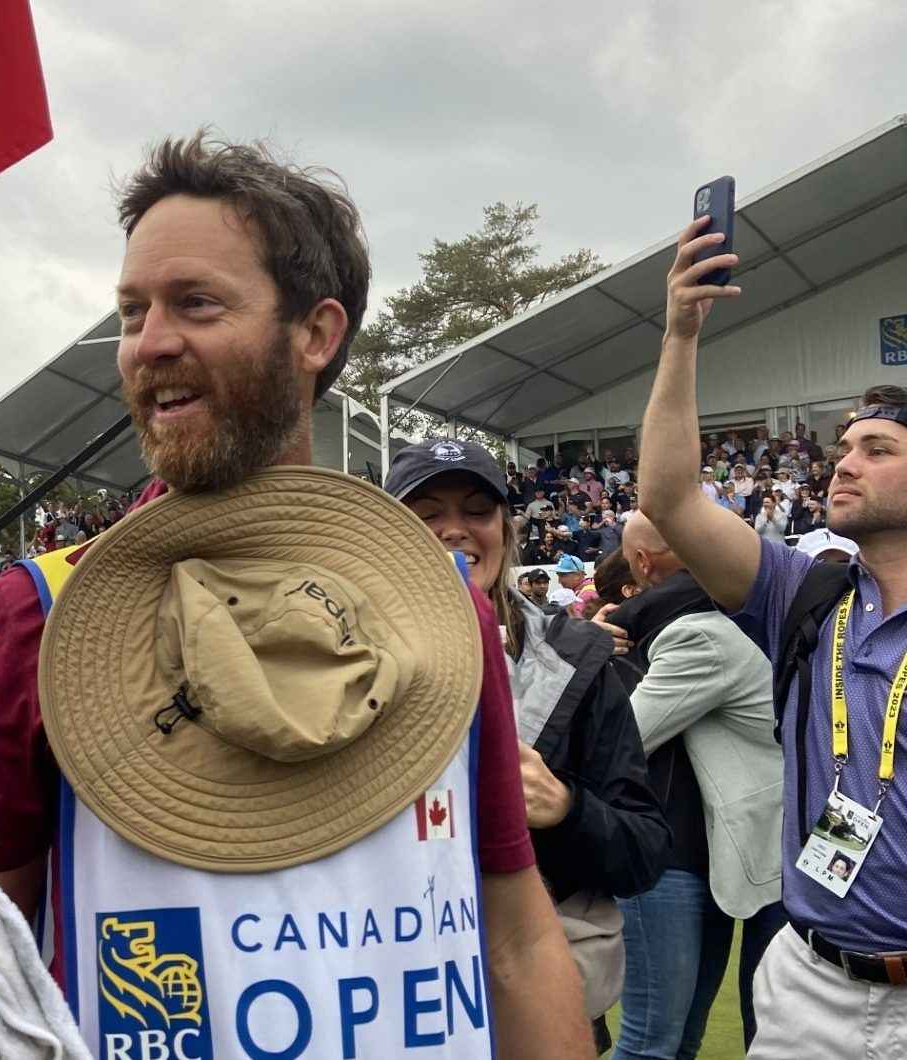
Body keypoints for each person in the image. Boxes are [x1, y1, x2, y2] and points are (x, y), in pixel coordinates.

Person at [0, 134, 593, 1060]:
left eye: (196, 303)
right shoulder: (43, 611)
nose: (149, 343)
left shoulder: (443, 604)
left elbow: (513, 941)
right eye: (131, 312)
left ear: (315, 335)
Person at [638, 213, 907, 1057]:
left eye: (877, 449)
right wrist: (681, 333)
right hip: (807, 987)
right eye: (842, 448)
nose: (844, 462)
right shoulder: (806, 592)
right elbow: (672, 499)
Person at [384, 437, 670, 1048]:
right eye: (425, 512)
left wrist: (566, 808)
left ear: (506, 531)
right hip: (390, 994)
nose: (453, 530)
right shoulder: (332, 663)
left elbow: (644, 850)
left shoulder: (580, 663)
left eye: (476, 512)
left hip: (539, 995)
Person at [595, 514, 786, 1056]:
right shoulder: (743, 621)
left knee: (674, 1040)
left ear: (641, 564)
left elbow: (625, 739)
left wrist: (600, 641)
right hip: (674, 860)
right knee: (659, 1041)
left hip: (710, 857)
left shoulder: (698, 632)